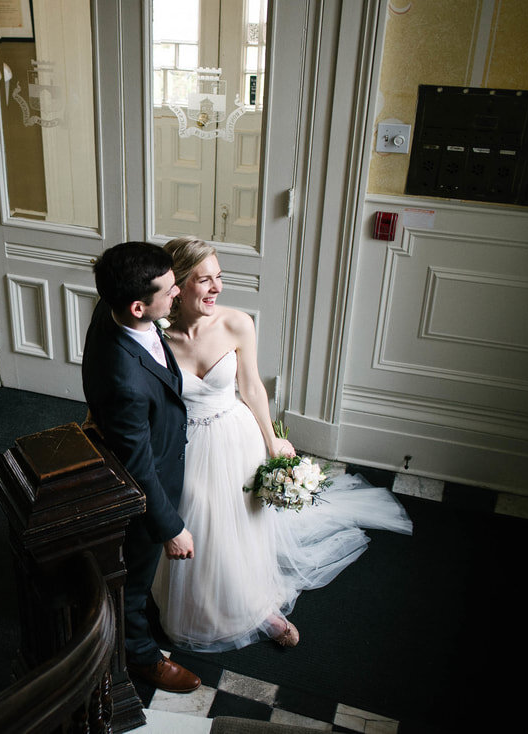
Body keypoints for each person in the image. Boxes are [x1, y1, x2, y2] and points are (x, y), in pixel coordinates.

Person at [150, 235, 413, 652]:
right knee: (198, 520)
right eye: (205, 280)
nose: (217, 288)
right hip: (187, 444)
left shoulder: (236, 323)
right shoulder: (156, 339)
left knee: (242, 523)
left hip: (235, 435)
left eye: (220, 277)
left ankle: (258, 608)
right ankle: (197, 607)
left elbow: (252, 388)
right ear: (178, 286)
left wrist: (272, 440)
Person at [82, 241, 201, 693]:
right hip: (145, 487)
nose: (179, 293)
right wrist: (169, 527)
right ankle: (140, 656)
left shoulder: (113, 305)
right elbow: (138, 467)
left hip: (159, 445)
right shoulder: (124, 380)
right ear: (137, 306)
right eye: (172, 289)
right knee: (133, 576)